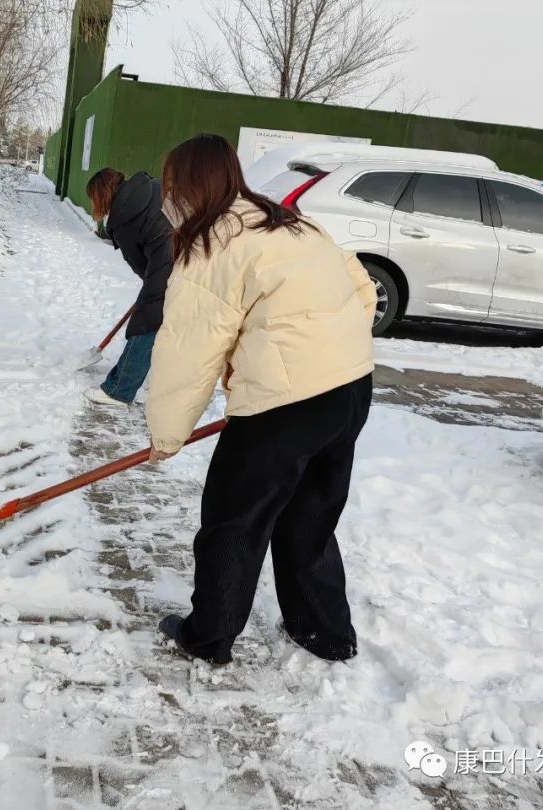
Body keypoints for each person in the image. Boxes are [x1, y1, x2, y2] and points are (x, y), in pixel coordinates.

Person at [146, 134, 377, 666]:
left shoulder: (213, 245)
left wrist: (167, 434)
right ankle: (325, 632)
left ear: (188, 186)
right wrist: (327, 354)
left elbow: (188, 353)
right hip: (350, 388)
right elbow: (362, 290)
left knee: (235, 519)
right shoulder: (290, 222)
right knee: (309, 517)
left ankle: (208, 636)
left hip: (284, 405)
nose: (169, 198)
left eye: (172, 186)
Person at [84, 168, 174, 406]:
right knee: (168, 322)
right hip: (195, 253)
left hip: (168, 261)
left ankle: (118, 391)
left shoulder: (122, 220)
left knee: (146, 321)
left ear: (101, 196)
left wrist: (151, 289)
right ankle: (164, 382)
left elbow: (141, 266)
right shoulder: (152, 186)